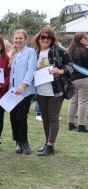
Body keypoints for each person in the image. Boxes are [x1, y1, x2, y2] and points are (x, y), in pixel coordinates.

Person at [32, 27, 74, 156]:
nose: (45, 39)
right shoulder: (35, 53)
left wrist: (60, 71)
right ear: (38, 39)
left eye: (48, 37)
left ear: (52, 39)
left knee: (53, 117)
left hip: (56, 90)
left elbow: (71, 66)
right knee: (44, 117)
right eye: (42, 37)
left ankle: (50, 144)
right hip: (40, 90)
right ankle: (47, 143)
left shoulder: (58, 50)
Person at [7, 29, 36, 155]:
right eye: (16, 38)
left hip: (24, 90)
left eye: (20, 38)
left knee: (21, 117)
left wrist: (23, 85)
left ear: (25, 39)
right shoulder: (12, 54)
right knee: (13, 117)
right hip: (12, 91)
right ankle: (17, 142)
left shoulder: (30, 52)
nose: (18, 40)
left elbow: (31, 70)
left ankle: (25, 142)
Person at [67, 32, 88, 132]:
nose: (86, 39)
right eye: (85, 37)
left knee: (73, 102)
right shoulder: (85, 50)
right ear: (80, 39)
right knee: (83, 102)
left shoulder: (70, 51)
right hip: (84, 79)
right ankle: (81, 126)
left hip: (73, 79)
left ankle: (70, 124)